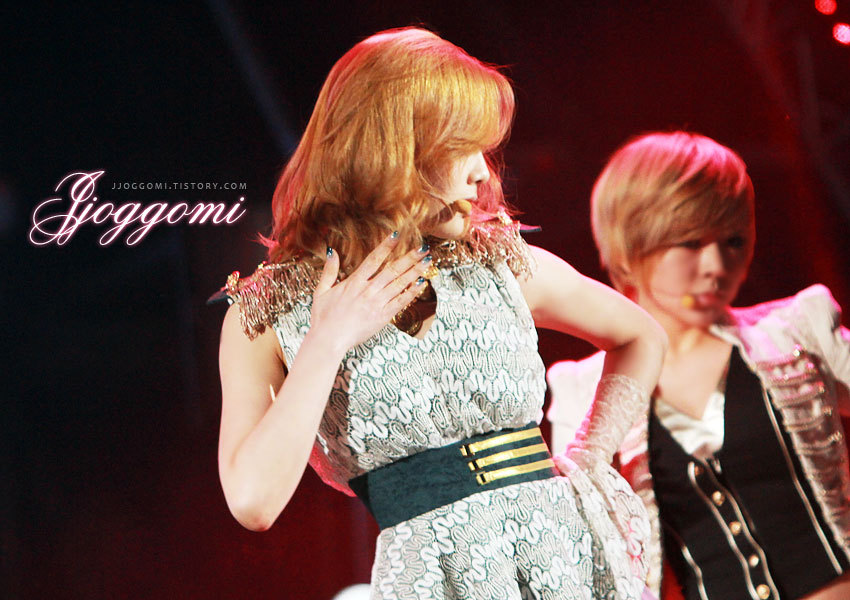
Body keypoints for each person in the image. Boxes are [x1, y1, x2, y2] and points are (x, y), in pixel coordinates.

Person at [216, 27, 666, 599]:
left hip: (566, 562)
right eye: (462, 146)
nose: (483, 172)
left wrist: (592, 457)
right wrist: (327, 342)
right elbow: (254, 502)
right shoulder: (268, 315)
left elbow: (641, 336)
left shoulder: (496, 261)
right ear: (392, 149)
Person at [547, 131, 850, 600]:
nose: (716, 265)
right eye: (690, 243)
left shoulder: (795, 330)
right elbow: (577, 546)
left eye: (733, 240)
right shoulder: (585, 390)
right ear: (632, 244)